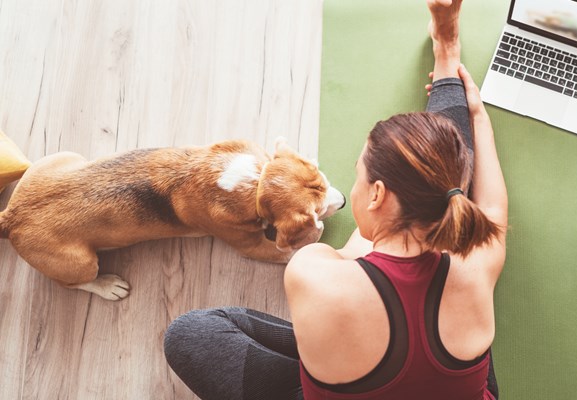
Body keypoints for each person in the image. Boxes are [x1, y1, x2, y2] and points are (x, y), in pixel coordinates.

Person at [163, 0, 508, 399]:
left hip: (359, 332)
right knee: (445, 174)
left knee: (191, 334)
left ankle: (446, 55)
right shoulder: (480, 258)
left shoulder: (316, 273)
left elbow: (369, 253)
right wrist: (477, 117)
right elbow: (492, 207)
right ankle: (447, 49)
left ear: (377, 194)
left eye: (361, 176)